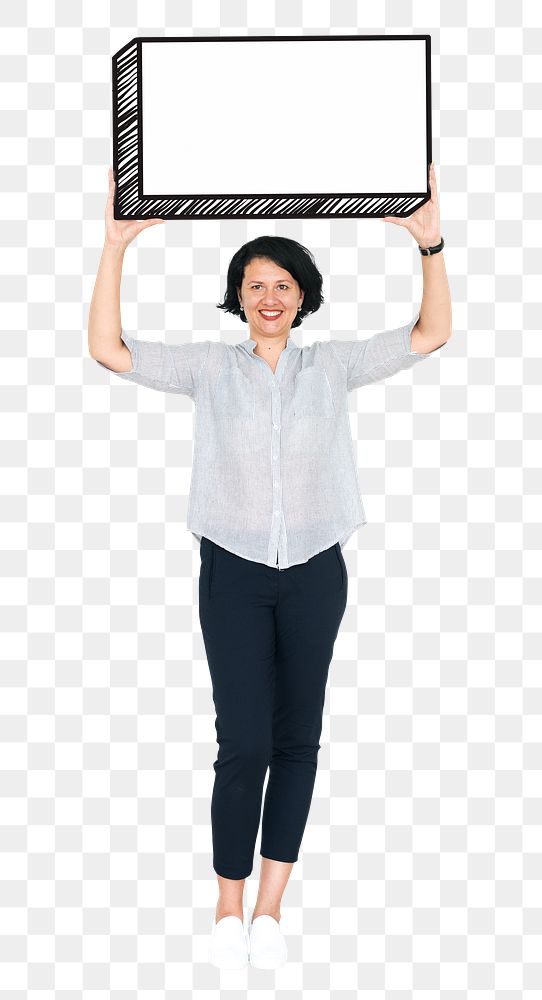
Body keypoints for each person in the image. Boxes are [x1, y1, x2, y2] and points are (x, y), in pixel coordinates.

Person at [88, 164, 452, 969]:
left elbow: (431, 335)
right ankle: (226, 907)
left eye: (282, 282)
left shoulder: (335, 367)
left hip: (317, 572)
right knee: (242, 740)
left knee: (300, 738)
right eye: (254, 284)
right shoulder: (210, 370)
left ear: (303, 293)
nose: (269, 295)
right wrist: (115, 246)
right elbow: (108, 350)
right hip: (235, 574)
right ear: (237, 296)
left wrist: (430, 245)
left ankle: (272, 910)